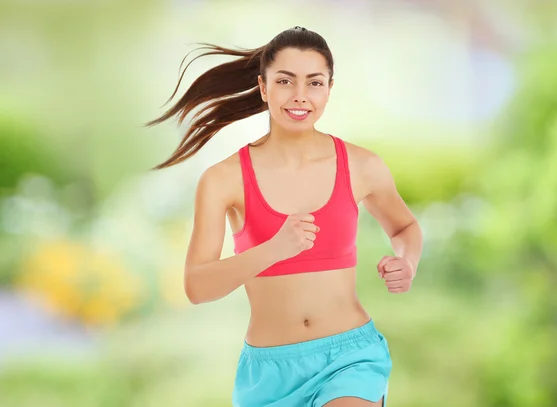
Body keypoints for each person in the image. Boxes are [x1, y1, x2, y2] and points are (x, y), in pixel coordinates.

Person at [146, 26, 422, 407]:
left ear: (329, 89)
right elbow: (197, 287)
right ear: (263, 88)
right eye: (285, 81)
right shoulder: (223, 180)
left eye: (315, 83)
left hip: (349, 358)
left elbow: (404, 226)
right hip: (268, 374)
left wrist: (408, 262)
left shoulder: (362, 166)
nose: (300, 96)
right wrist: (274, 249)